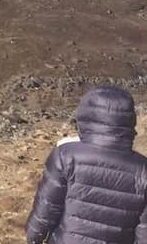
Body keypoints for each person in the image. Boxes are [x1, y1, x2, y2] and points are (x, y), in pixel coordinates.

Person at [27, 86, 147, 243]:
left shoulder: (65, 155)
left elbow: (47, 206)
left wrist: (34, 236)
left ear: (86, 116)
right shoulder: (143, 170)